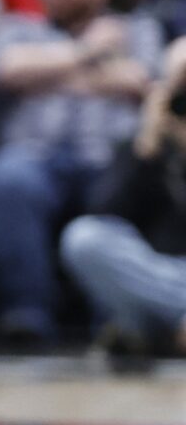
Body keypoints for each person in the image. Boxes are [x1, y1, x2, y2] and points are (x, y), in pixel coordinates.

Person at [0, 0, 164, 343]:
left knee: (125, 182)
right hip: (34, 155)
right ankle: (27, 313)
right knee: (10, 178)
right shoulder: (18, 28)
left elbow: (140, 82)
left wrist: (51, 73)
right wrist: (90, 54)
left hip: (108, 156)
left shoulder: (138, 28)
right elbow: (9, 70)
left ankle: (116, 320)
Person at [58, 37, 186, 359]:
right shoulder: (146, 145)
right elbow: (105, 213)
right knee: (84, 238)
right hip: (157, 272)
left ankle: (147, 330)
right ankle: (169, 326)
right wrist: (147, 147)